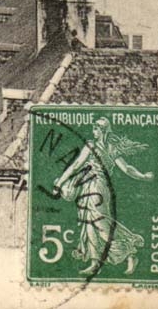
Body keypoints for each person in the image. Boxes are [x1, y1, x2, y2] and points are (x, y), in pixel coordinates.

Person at [52, 117, 152, 275]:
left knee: (101, 224)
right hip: (91, 186)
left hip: (97, 187)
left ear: (103, 131)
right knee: (90, 223)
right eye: (94, 128)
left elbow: (126, 168)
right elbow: (78, 165)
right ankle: (95, 263)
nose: (94, 131)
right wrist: (143, 176)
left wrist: (143, 177)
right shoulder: (100, 146)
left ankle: (129, 253)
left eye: (96, 128)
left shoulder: (103, 148)